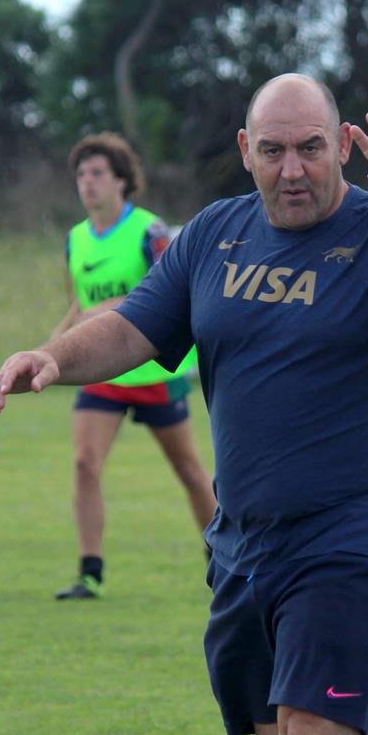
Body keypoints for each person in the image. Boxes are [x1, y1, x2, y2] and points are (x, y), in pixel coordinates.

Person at [0, 74, 368, 735]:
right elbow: (133, 325)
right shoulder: (216, 232)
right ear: (246, 149)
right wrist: (56, 357)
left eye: (311, 148)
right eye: (273, 150)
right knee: (273, 730)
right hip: (245, 540)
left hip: (359, 532)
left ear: (345, 146)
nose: (292, 170)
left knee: (315, 728)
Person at [49, 133, 218, 600]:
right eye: (81, 175)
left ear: (122, 180)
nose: (88, 183)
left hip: (153, 371)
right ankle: (90, 573)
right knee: (84, 463)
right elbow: (77, 306)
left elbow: (167, 293)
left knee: (188, 470)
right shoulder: (75, 239)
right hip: (102, 373)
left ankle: (222, 560)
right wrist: (50, 350)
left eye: (98, 173)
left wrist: (108, 311)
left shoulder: (150, 230)